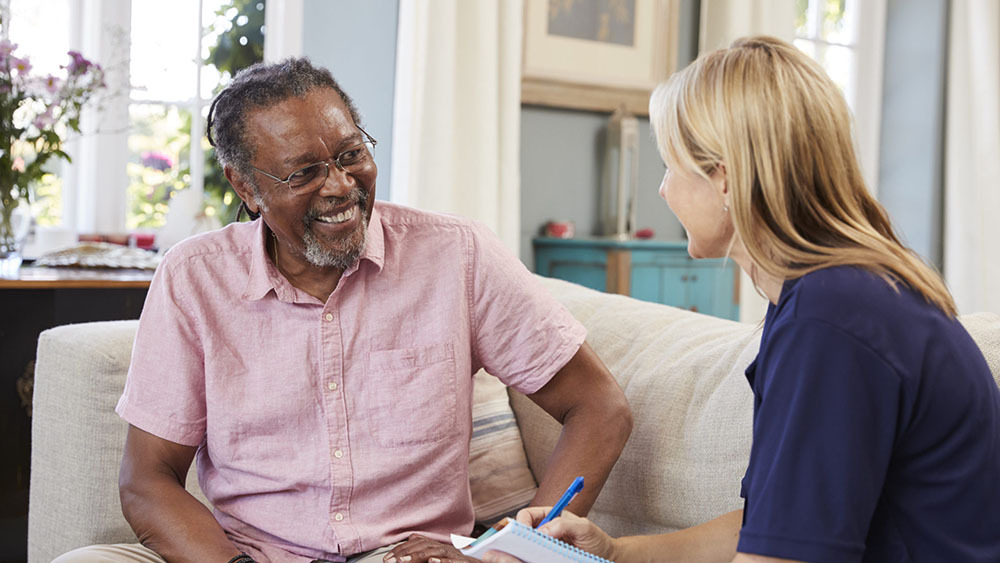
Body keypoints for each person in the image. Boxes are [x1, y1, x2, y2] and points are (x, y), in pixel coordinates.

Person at [53, 58, 633, 563]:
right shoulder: (194, 278)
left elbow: (598, 405)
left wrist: (515, 553)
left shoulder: (458, 255)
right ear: (247, 187)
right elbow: (147, 479)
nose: (340, 186)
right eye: (304, 173)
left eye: (351, 154)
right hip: (243, 553)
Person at [484, 36, 1000, 563]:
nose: (663, 191)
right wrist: (615, 552)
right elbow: (776, 527)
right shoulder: (831, 296)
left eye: (670, 165)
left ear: (725, 179)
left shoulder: (834, 321)